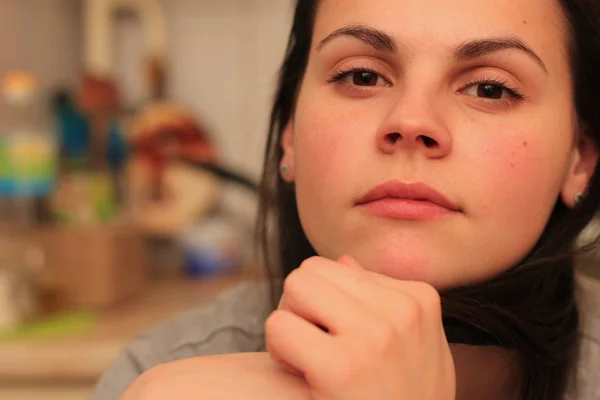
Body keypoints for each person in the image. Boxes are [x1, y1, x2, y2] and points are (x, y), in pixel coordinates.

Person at [91, 0, 600, 399]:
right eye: (362, 76)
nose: (410, 122)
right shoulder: (163, 373)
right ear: (289, 135)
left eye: (490, 88)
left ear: (579, 158)